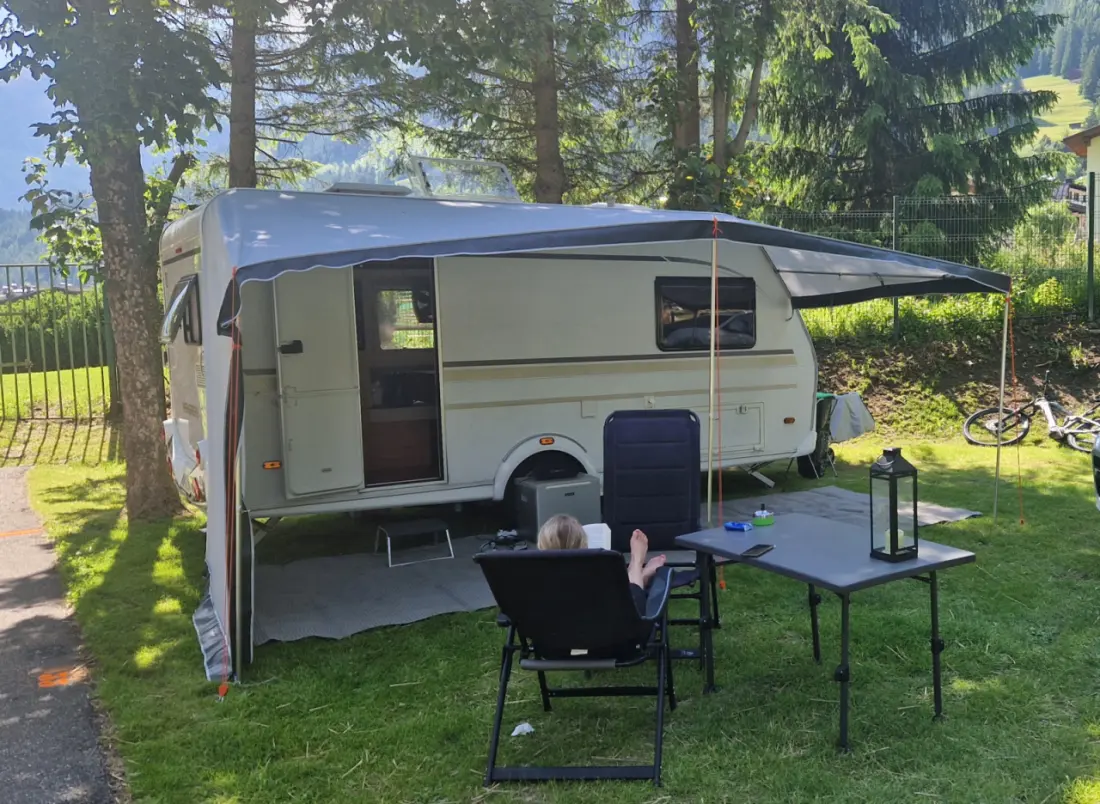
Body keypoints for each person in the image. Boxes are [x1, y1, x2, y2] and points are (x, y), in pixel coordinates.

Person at [536, 514, 667, 614]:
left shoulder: (534, 581)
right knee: (629, 598)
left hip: (552, 640)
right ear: (584, 546)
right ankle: (636, 566)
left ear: (541, 546)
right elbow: (635, 610)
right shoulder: (594, 577)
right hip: (611, 638)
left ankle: (636, 575)